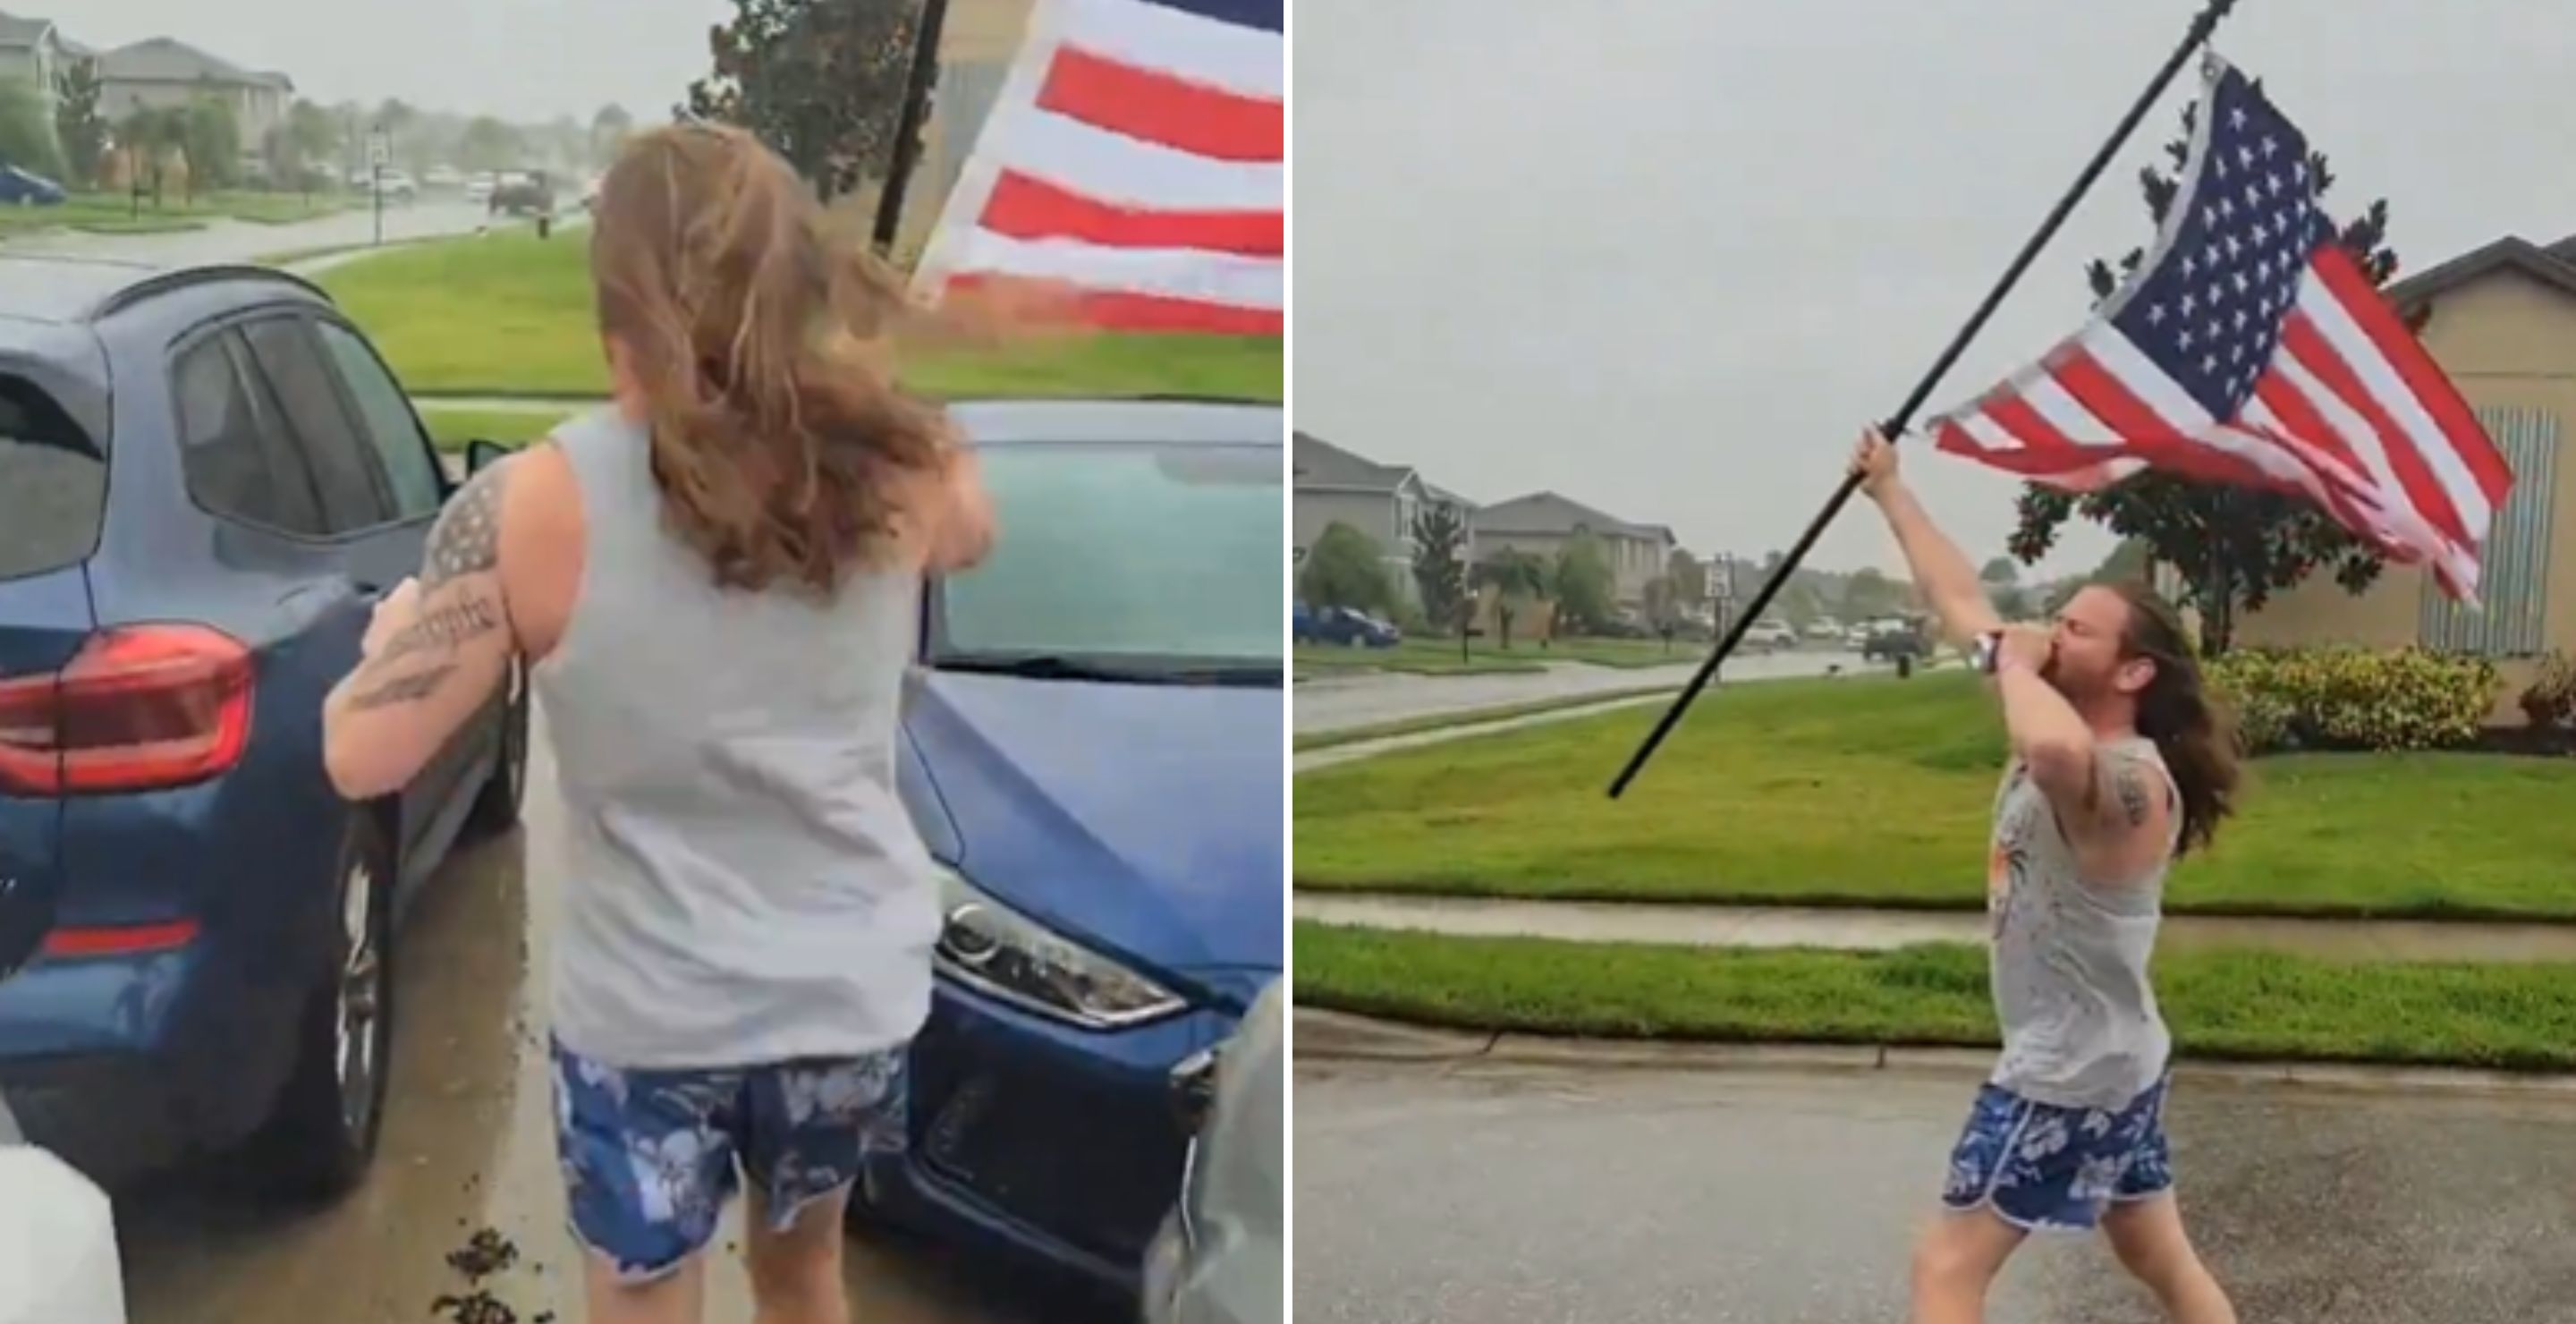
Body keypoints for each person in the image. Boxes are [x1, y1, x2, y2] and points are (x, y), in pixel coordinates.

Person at [320, 123, 996, 1324]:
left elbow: (362, 750)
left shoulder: (529, 504)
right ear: (797, 287)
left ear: (614, 311)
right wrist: (860, 398)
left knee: (642, 1301)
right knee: (806, 1277)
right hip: (844, 1001)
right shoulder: (909, 468)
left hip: (650, 1022)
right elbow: (971, 535)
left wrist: (401, 634)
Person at [1847, 428, 2241, 1324]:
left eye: (2077, 626)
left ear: (2134, 669)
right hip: (2119, 1064)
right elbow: (1958, 595)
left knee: (1946, 1268)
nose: (2053, 628)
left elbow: (2056, 749)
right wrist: (1891, 490)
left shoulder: (2132, 778)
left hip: (2068, 1073)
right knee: (2156, 1252)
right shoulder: (2050, 706)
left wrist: (2017, 661)